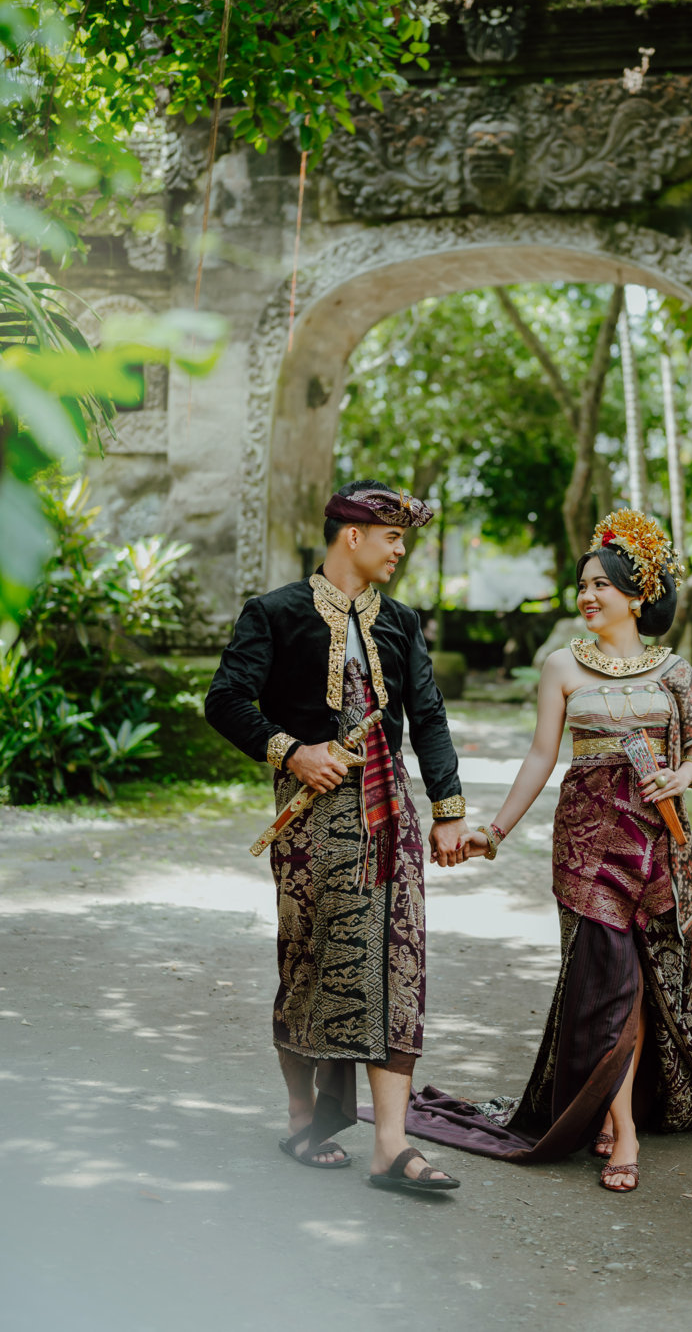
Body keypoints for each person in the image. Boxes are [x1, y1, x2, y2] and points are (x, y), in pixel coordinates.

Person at [402, 510, 692, 1192]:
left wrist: (682, 776)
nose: (588, 595)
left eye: (601, 584)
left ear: (638, 595)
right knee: (608, 981)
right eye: (582, 584)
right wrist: (495, 831)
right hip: (587, 843)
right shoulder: (561, 665)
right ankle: (623, 1128)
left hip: (657, 843)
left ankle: (614, 1106)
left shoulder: (675, 671)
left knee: (641, 983)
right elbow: (541, 756)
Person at [205, 480, 469, 1193]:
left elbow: (429, 716)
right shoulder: (274, 613)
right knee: (311, 960)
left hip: (390, 814)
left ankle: (390, 1144)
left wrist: (448, 809)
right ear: (353, 535)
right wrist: (293, 751)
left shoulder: (402, 621)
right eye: (393, 537)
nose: (401, 551)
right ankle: (305, 1115)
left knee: (398, 960)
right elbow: (224, 701)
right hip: (311, 820)